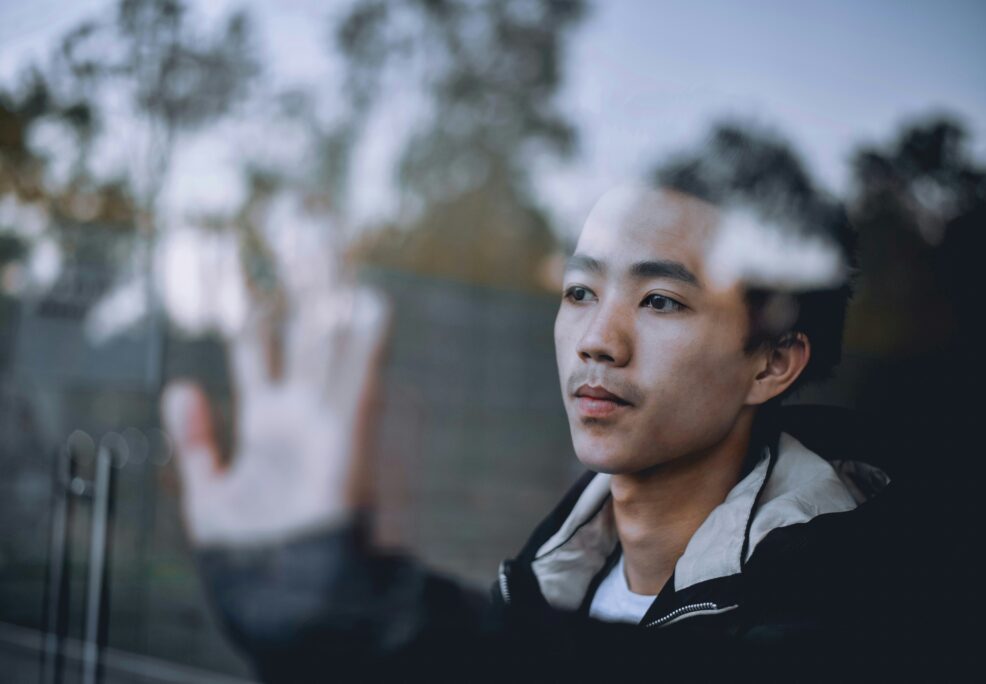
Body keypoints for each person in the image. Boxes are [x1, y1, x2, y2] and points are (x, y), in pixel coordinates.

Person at [161, 133, 907, 681]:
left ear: (772, 362)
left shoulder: (860, 597)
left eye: (659, 300)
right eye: (580, 291)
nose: (598, 340)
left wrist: (384, 625)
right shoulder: (546, 577)